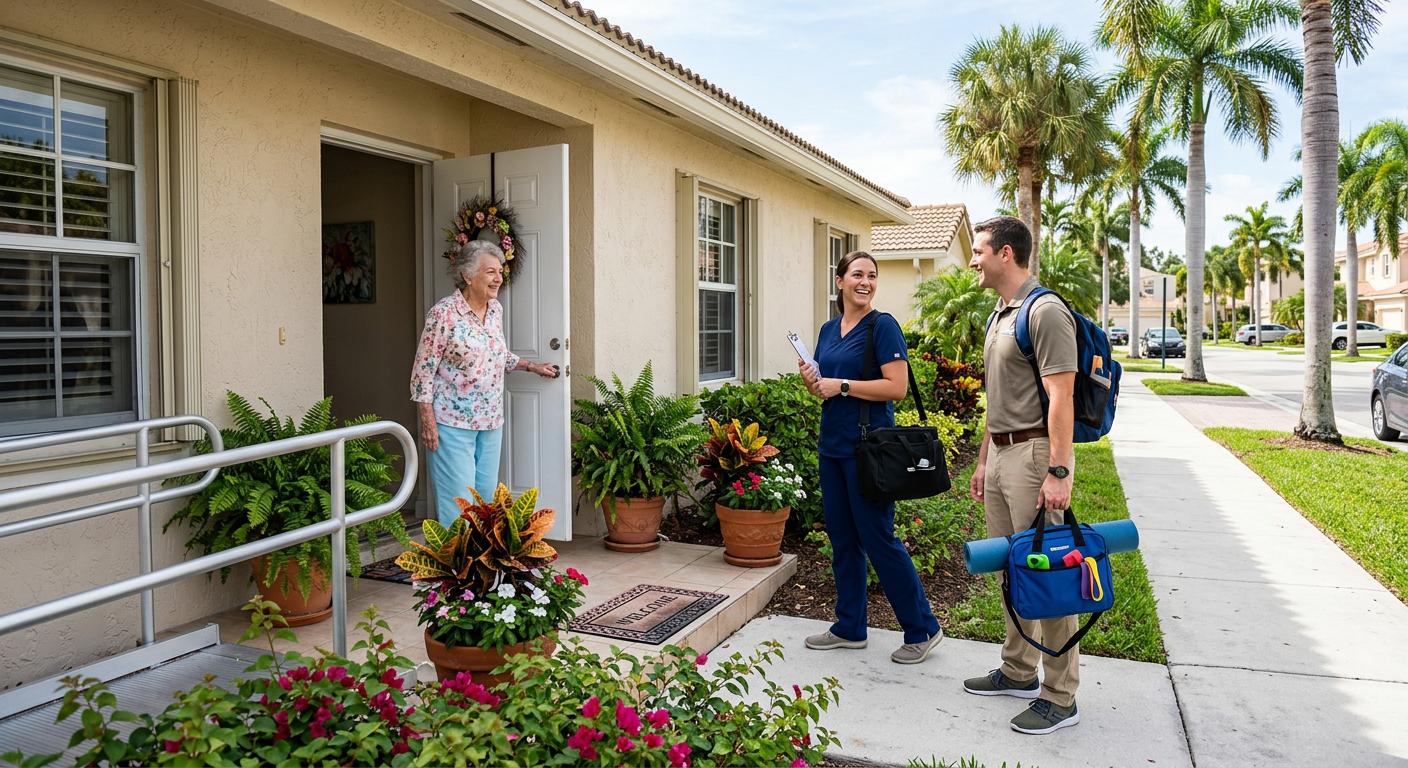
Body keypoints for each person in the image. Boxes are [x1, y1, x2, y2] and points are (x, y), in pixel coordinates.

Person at [962, 216, 1082, 735]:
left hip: (1037, 455)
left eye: (979, 251)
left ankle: (1060, 695)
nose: (973, 260)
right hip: (1004, 455)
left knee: (1050, 575)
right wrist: (985, 459)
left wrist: (1058, 470)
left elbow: (1062, 396)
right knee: (1014, 568)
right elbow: (998, 396)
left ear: (1006, 254)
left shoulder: (1046, 312)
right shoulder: (1000, 313)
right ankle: (1018, 670)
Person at [797, 250, 943, 664]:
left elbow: (896, 387)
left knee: (879, 539)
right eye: (857, 274)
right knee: (843, 540)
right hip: (833, 446)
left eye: (872, 276)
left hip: (869, 449)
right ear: (839, 281)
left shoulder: (883, 327)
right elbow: (825, 388)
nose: (865, 281)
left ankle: (923, 628)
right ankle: (850, 627)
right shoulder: (828, 329)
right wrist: (815, 382)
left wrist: (841, 384)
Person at [410, 240, 557, 526]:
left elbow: (496, 354)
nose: (498, 278)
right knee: (459, 506)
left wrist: (531, 366)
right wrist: (428, 422)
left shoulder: (495, 310)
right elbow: (422, 373)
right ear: (467, 275)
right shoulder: (443, 314)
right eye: (490, 272)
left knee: (485, 503)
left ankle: (480, 568)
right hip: (452, 424)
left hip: (490, 421)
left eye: (500, 271)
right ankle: (457, 567)